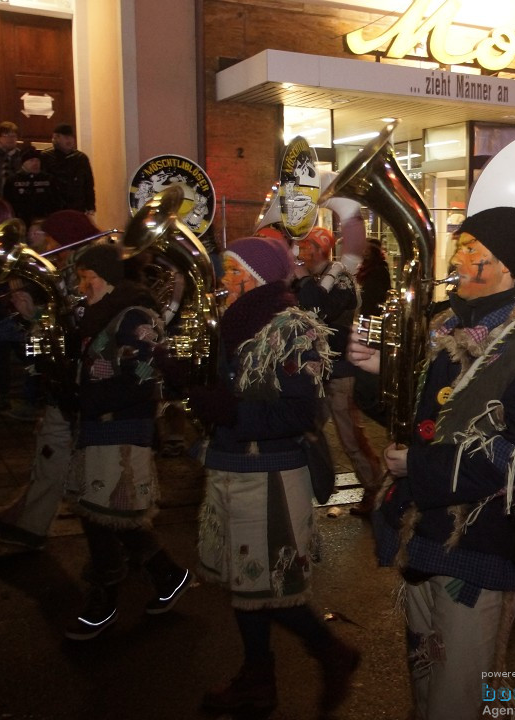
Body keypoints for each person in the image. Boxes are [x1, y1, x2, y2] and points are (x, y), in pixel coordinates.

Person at [347, 207, 515, 720]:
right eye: (462, 246)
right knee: (425, 684)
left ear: (507, 268)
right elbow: (410, 418)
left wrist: (421, 468)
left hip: (480, 544)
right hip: (424, 536)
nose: (457, 258)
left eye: (473, 249)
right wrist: (373, 373)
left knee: (456, 702)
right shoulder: (444, 327)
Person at [157, 235, 360, 716]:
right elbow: (229, 387)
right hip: (231, 464)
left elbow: (299, 414)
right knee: (245, 584)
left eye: (231, 272)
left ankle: (331, 652)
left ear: (255, 278)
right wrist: (184, 375)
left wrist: (227, 413)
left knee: (269, 587)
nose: (222, 282)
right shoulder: (237, 323)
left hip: (267, 471)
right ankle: (258, 679)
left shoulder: (290, 328)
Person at [62, 243, 190, 640]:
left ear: (101, 278)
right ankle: (166, 574)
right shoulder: (98, 314)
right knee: (105, 513)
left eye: (85, 279)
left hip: (122, 427)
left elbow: (144, 378)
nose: (81, 287)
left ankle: (105, 597)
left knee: (105, 514)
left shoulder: (134, 315)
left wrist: (91, 397)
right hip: (99, 425)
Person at [0, 211, 101, 550]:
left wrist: (32, 316)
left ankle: (31, 524)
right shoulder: (71, 270)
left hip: (78, 382)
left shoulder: (83, 272)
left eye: (51, 241)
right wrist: (30, 318)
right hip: (69, 381)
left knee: (55, 449)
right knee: (53, 450)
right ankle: (28, 520)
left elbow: (75, 327)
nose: (49, 248)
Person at [293, 226, 386, 516]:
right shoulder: (316, 278)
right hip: (319, 367)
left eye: (306, 246)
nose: (300, 252)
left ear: (319, 248)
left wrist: (304, 279)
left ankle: (376, 492)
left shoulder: (341, 279)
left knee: (350, 437)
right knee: (309, 430)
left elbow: (319, 310)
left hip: (341, 369)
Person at [41, 123, 96, 215]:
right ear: (56, 138)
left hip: (77, 205)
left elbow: (88, 183)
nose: (69, 140)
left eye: (71, 137)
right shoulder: (46, 157)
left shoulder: (81, 158)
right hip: (53, 206)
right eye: (66, 137)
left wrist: (90, 205)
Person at [3, 146, 62, 228]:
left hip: (43, 219)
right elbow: (7, 201)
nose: (35, 163)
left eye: (37, 160)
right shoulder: (13, 180)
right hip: (21, 220)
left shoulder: (48, 179)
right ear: (23, 163)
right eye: (31, 161)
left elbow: (56, 201)